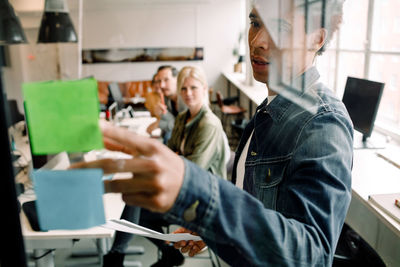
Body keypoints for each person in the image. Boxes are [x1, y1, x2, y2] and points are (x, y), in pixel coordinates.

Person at [73, 1, 353, 266]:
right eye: (256, 22)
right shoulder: (270, 109)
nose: (257, 41)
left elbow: (311, 257)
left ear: (316, 39)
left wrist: (205, 200)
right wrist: (214, 227)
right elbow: (259, 211)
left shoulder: (323, 123)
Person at [103, 66, 229, 267]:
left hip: (201, 199)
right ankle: (168, 253)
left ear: (205, 88)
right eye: (184, 88)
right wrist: (176, 159)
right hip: (183, 189)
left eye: (193, 88)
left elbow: (191, 171)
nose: (188, 93)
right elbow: (169, 156)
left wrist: (176, 160)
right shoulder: (182, 118)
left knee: (135, 202)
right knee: (135, 209)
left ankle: (115, 257)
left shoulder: (209, 124)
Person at [146, 65, 186, 144]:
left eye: (166, 80)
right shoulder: (167, 97)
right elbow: (172, 120)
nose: (161, 85)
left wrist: (159, 123)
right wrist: (163, 115)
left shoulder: (186, 98)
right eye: (159, 81)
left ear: (177, 79)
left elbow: (181, 126)